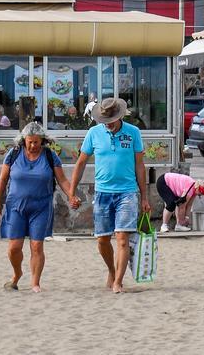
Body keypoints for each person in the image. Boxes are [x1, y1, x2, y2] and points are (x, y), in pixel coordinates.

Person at [70, 97, 151, 294]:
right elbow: (81, 163)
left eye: (111, 120)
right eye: (105, 121)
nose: (108, 124)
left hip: (127, 193)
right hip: (102, 192)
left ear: (120, 116)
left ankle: (118, 282)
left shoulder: (133, 133)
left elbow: (140, 166)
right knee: (102, 240)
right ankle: (111, 271)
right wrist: (72, 191)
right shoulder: (93, 133)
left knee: (122, 238)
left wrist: (145, 196)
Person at [0, 122, 79, 293]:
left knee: (36, 246)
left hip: (41, 207)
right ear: (24, 140)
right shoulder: (14, 154)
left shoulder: (50, 155)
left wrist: (72, 196)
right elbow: (3, 180)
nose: (33, 145)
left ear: (42, 141)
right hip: (15, 206)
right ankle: (17, 274)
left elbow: (62, 180)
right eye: (30, 142)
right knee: (14, 247)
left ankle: (35, 283)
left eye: (36, 142)